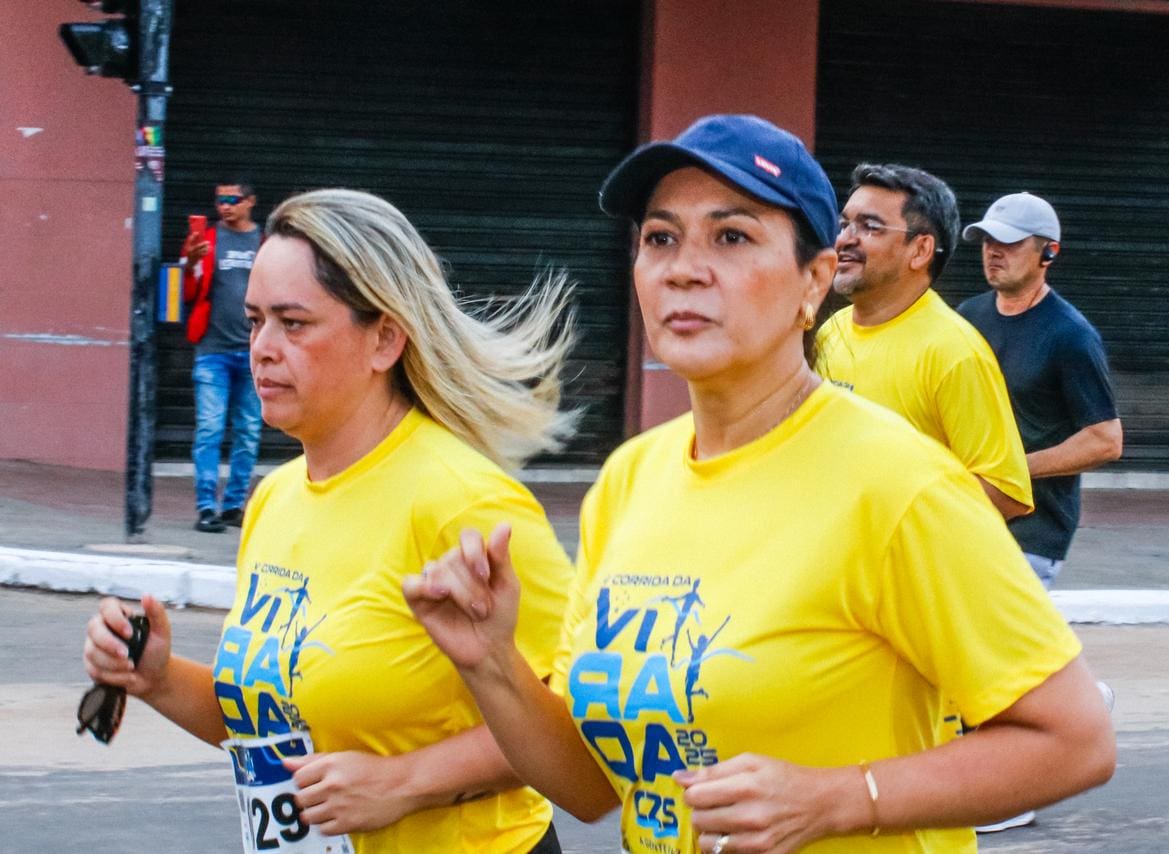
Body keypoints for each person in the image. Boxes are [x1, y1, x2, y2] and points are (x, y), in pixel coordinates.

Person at [403, 115, 1116, 854]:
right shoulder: (628, 479)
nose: (683, 269)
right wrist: (490, 661)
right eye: (661, 238)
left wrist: (837, 799)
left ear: (814, 281)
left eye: (732, 237)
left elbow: (1074, 741)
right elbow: (592, 789)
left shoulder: (900, 486)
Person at [85, 189, 577, 853]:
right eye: (255, 320)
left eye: (294, 324)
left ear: (384, 339)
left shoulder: (466, 502)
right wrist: (159, 678)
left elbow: (575, 736)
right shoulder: (275, 498)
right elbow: (279, 729)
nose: (261, 348)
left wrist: (405, 782)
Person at [812, 164, 1033, 521]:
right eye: (844, 225)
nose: (844, 240)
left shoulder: (954, 351)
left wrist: (889, 518)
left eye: (870, 227)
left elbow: (1005, 492)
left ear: (920, 250)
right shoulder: (830, 332)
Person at [958, 192, 1123, 588]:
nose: (993, 252)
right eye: (987, 241)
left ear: (1048, 252)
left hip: (1031, 535)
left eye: (1009, 243)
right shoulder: (967, 317)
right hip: (966, 519)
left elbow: (1105, 440)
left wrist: (1011, 469)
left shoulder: (1071, 335)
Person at [181, 178, 264, 533]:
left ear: (250, 202)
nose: (224, 206)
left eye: (232, 199)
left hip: (253, 353)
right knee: (210, 429)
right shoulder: (207, 240)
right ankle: (206, 507)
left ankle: (232, 506)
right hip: (212, 352)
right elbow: (187, 292)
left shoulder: (265, 242)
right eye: (220, 200)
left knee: (248, 431)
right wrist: (190, 263)